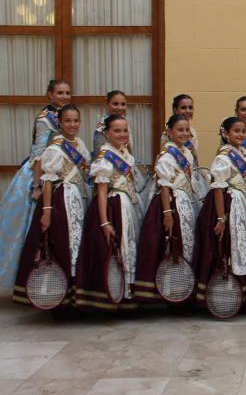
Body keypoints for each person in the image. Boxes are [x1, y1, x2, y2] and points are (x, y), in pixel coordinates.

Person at [0, 79, 70, 290]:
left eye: (67, 93)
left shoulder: (64, 116)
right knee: (31, 229)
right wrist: (36, 185)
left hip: (59, 171)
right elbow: (38, 154)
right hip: (40, 174)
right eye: (60, 93)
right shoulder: (44, 119)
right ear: (50, 94)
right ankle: (29, 277)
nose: (64, 96)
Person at [12, 104, 90, 307]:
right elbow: (48, 181)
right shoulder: (55, 149)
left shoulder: (80, 145)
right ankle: (58, 295)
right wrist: (47, 211)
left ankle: (76, 291)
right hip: (60, 202)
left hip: (79, 201)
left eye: (75, 121)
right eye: (68, 121)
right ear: (60, 123)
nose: (72, 125)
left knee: (78, 245)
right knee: (61, 244)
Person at [75, 115, 140, 310]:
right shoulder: (104, 157)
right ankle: (112, 294)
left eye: (125, 131)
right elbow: (101, 192)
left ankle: (126, 292)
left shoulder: (125, 154)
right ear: (106, 133)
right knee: (112, 250)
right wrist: (104, 222)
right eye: (117, 131)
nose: (122, 135)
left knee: (126, 248)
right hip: (112, 209)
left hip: (126, 207)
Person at [134, 114, 201, 303]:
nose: (184, 133)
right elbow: (164, 186)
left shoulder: (186, 153)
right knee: (172, 247)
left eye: (187, 130)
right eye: (180, 130)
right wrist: (167, 213)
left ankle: (185, 289)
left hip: (186, 203)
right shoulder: (166, 155)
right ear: (169, 132)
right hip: (172, 204)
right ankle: (170, 290)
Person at [194, 117, 246, 306]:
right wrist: (220, 218)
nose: (240, 135)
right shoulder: (222, 158)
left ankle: (245, 293)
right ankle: (226, 296)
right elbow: (218, 189)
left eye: (243, 131)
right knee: (229, 249)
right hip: (230, 206)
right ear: (226, 134)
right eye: (236, 131)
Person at [93, 89, 153, 213]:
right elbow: (100, 157)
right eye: (115, 104)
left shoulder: (124, 124)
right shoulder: (101, 129)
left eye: (123, 104)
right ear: (107, 104)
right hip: (112, 183)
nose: (119, 107)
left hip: (127, 176)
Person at [164, 93, 209, 198]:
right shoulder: (169, 132)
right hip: (175, 178)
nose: (188, 111)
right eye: (183, 108)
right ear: (175, 110)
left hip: (191, 173)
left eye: (190, 107)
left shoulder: (193, 131)